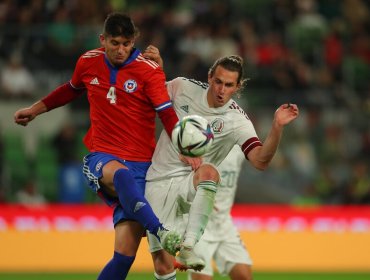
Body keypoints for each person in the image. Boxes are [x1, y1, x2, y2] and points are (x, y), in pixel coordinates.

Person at [14, 13, 182, 280]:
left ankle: (157, 233)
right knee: (120, 174)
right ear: (102, 39)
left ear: (134, 40)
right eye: (114, 42)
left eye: (127, 43)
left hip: (143, 167)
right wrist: (35, 109)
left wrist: (187, 153)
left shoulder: (149, 70)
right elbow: (70, 89)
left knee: (124, 258)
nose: (121, 49)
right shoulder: (88, 62)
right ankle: (160, 231)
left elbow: (168, 115)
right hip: (102, 157)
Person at [143, 45, 299, 279]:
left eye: (228, 85)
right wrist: (157, 69)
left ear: (237, 87)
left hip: (191, 188)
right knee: (163, 268)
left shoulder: (237, 120)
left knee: (209, 173)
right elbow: (153, 97)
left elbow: (260, 161)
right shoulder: (181, 87)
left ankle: (189, 245)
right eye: (218, 82)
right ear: (209, 77)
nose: (221, 90)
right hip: (158, 179)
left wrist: (277, 127)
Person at [186, 146, 253, 280]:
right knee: (203, 278)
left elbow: (262, 157)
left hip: (224, 223)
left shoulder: (239, 145)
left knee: (244, 276)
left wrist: (277, 129)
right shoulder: (200, 144)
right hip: (198, 223)